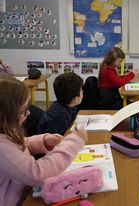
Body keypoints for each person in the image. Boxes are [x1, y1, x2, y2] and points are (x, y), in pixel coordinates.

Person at [0, 74, 87, 206]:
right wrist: (75, 141)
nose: (28, 113)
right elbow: (38, 173)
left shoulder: (6, 131)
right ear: (6, 114)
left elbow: (21, 143)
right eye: (24, 111)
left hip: (25, 191)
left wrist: (44, 141)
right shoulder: (2, 148)